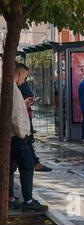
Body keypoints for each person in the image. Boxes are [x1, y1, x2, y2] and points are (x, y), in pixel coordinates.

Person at [7, 63, 48, 212]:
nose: (24, 81)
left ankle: (10, 197)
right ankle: (28, 202)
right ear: (18, 74)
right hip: (17, 136)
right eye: (24, 77)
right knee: (27, 166)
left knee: (10, 167)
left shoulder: (9, 87)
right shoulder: (12, 88)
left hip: (11, 136)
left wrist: (22, 104)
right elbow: (15, 116)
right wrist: (22, 134)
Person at [18, 79, 52, 172]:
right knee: (26, 141)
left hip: (24, 117)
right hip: (20, 121)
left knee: (27, 142)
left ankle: (35, 163)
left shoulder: (19, 84)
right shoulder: (17, 86)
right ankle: (34, 164)